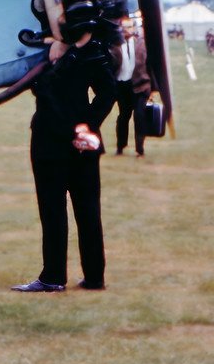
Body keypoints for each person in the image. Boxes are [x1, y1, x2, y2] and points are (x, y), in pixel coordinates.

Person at [13, 29, 119, 293]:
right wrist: (88, 125)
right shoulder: (93, 53)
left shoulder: (59, 56)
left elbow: (43, 90)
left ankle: (53, 276)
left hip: (52, 143)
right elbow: (109, 91)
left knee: (54, 213)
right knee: (88, 212)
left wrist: (56, 58)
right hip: (82, 144)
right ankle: (94, 276)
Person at [113, 20, 151, 157]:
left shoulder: (142, 44)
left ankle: (140, 149)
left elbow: (151, 66)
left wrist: (154, 88)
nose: (127, 30)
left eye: (129, 27)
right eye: (124, 28)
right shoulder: (115, 45)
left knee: (140, 115)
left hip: (141, 84)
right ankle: (120, 147)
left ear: (134, 27)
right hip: (123, 85)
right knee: (124, 116)